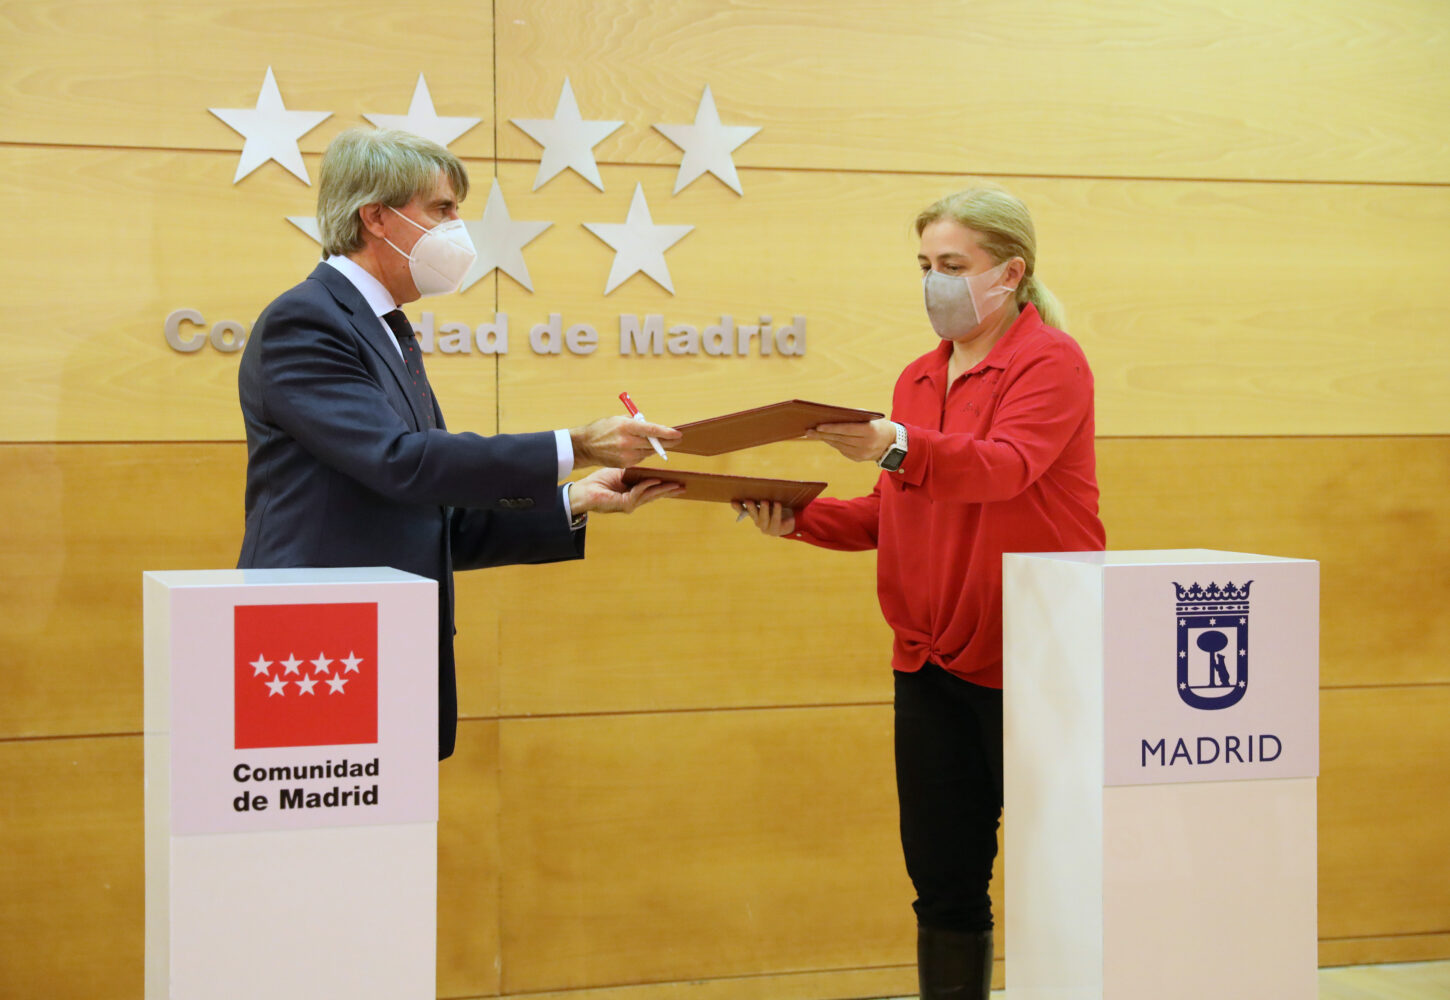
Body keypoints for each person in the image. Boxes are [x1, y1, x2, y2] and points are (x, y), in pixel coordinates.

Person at [739, 186, 1105, 999]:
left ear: (1010, 273)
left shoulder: (1051, 361)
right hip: (929, 661)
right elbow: (896, 511)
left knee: (1061, 869)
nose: (935, 282)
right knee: (943, 881)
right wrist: (796, 517)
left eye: (952, 265)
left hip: (1033, 659)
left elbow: (1003, 468)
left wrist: (896, 445)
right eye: (924, 265)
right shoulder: (918, 376)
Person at [238, 126, 681, 760]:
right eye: (442, 209)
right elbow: (400, 463)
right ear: (376, 218)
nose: (457, 229)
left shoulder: (387, 330)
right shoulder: (306, 320)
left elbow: (432, 515)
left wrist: (574, 499)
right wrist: (577, 444)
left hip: (385, 642)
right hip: (315, 648)